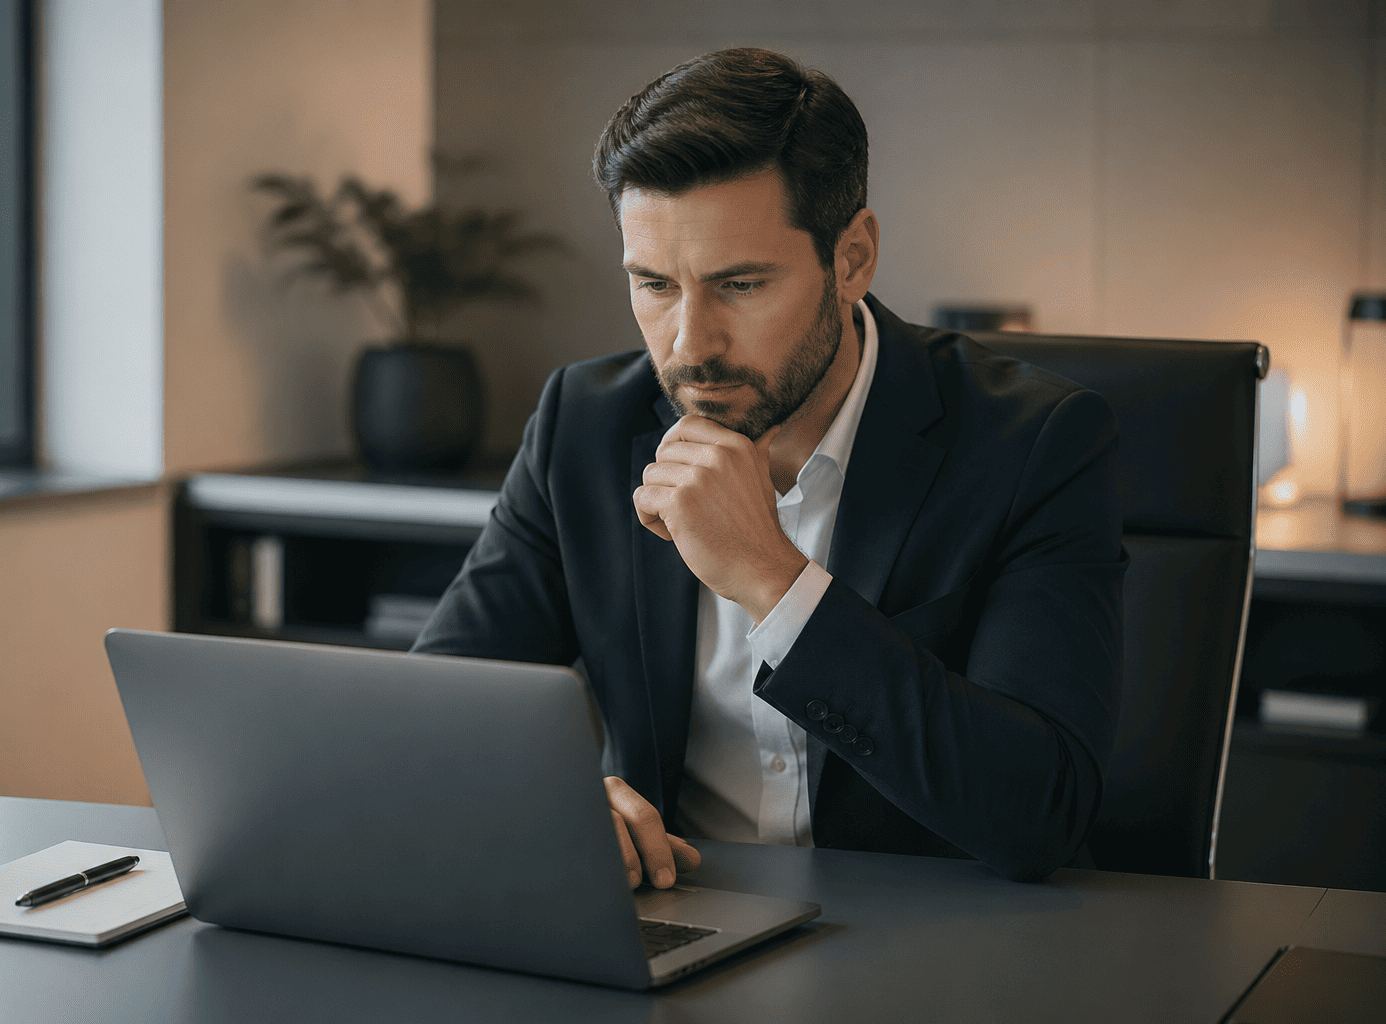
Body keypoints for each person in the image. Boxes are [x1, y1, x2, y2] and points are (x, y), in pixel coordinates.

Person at [413, 48, 1126, 885]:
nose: (691, 345)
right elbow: (432, 719)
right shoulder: (585, 424)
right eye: (655, 285)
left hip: (938, 937)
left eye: (741, 285)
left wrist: (772, 580)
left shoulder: (1034, 443)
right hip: (673, 921)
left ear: (852, 258)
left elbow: (1040, 811)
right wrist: (548, 798)